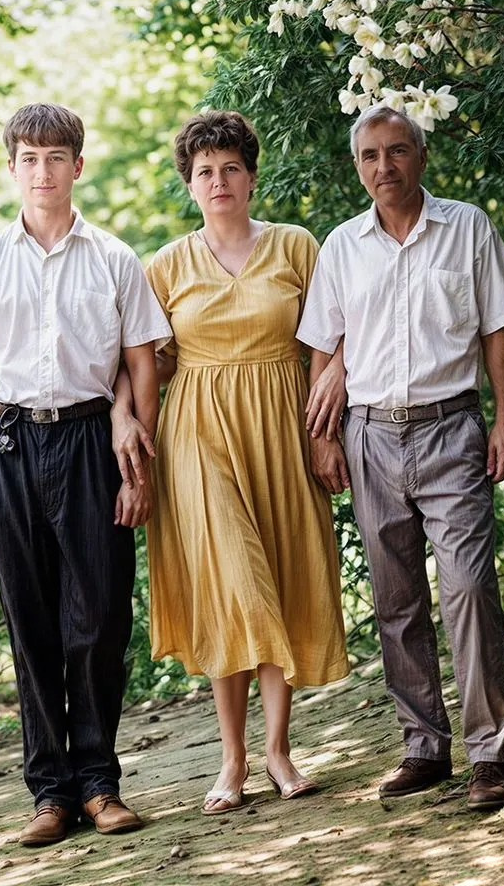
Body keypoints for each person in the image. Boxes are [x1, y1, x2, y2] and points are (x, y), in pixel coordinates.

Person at [0, 103, 171, 847]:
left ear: (79, 165)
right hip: (11, 445)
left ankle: (101, 786)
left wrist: (138, 457)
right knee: (32, 625)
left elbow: (142, 362)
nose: (43, 171)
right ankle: (50, 795)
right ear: (12, 168)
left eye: (56, 157)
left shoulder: (114, 259)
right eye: (29, 158)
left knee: (100, 620)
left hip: (91, 446)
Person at [298, 104, 504, 811]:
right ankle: (424, 746)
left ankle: (489, 755)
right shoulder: (342, 245)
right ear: (358, 165)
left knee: (467, 587)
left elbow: (497, 331)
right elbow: (323, 343)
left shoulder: (468, 228)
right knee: (396, 600)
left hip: (451, 430)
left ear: (421, 157)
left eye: (397, 152)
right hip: (371, 435)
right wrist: (322, 433)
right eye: (370, 155)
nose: (383, 167)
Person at [144, 110, 351, 816]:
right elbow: (145, 365)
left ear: (253, 178)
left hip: (283, 424)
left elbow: (339, 329)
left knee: (280, 581)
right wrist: (127, 434)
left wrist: (330, 413)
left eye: (231, 167)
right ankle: (232, 758)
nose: (219, 179)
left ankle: (277, 750)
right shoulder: (166, 266)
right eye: (205, 171)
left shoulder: (296, 246)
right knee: (231, 583)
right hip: (198, 434)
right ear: (190, 186)